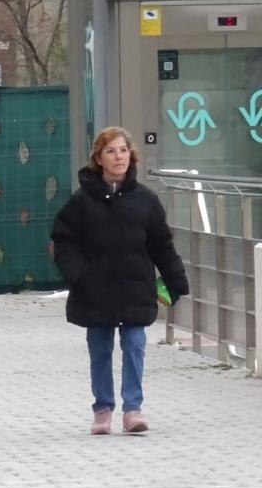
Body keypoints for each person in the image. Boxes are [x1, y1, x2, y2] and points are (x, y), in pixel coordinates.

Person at [50, 126, 189, 435]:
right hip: (94, 290)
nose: (118, 157)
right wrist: (77, 275)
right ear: (99, 158)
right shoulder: (81, 202)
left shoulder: (146, 200)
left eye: (123, 150)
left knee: (135, 344)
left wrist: (175, 282)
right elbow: (63, 241)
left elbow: (162, 246)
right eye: (111, 151)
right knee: (100, 348)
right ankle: (102, 409)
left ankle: (133, 409)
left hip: (135, 287)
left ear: (131, 155)